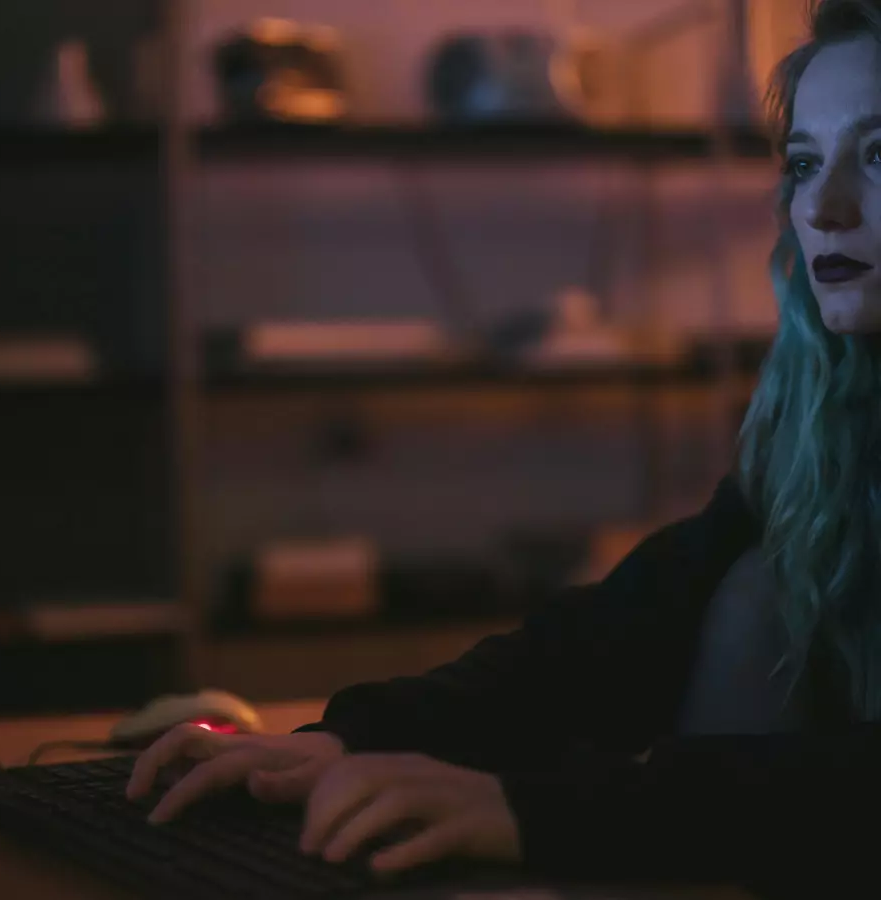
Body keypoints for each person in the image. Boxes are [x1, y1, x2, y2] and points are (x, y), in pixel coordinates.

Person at [128, 0, 881, 895]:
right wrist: (353, 738)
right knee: (748, 582)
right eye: (803, 163)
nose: (823, 209)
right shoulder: (833, 410)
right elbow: (635, 619)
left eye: (878, 157)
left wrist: (537, 811)